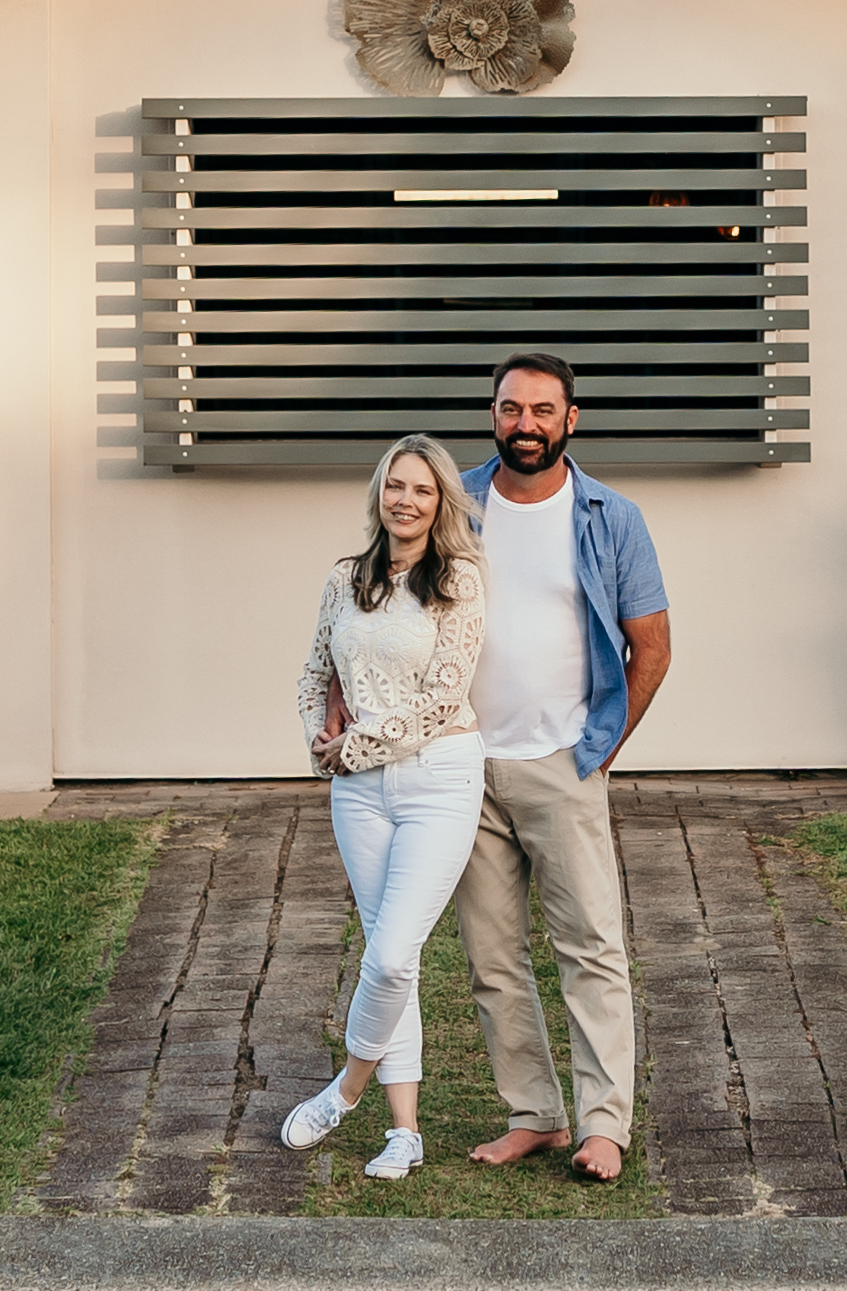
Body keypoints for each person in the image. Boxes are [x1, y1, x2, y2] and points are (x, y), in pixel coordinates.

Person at [453, 351, 671, 1184]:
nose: (526, 424)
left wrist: (602, 746)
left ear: (570, 419)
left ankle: (603, 1123)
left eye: (544, 410)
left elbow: (652, 643)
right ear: (494, 414)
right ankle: (535, 1114)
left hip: (562, 761)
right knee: (492, 954)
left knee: (590, 945)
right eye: (512, 408)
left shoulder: (611, 516)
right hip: (465, 764)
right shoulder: (456, 502)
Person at [280, 433, 487, 1182]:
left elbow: (441, 700)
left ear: (441, 503)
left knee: (395, 953)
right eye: (396, 485)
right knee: (385, 958)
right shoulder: (345, 578)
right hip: (358, 795)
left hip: (438, 779)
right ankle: (405, 1133)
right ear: (379, 492)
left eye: (423, 489)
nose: (406, 499)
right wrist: (319, 738)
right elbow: (312, 674)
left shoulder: (459, 580)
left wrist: (353, 747)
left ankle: (344, 1091)